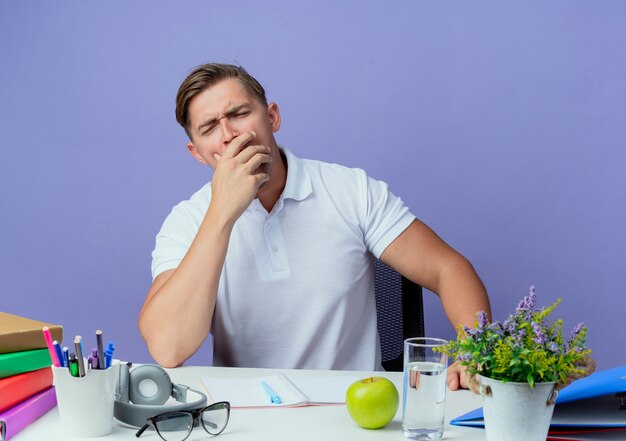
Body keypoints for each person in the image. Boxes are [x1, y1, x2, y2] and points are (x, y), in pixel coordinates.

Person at [138, 63, 490, 390]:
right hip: (249, 416)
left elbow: (449, 268)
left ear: (272, 117)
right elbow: (169, 348)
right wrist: (222, 213)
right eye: (209, 128)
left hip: (355, 410)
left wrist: (475, 349)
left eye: (239, 113)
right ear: (197, 153)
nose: (229, 134)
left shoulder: (350, 190)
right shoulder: (187, 220)